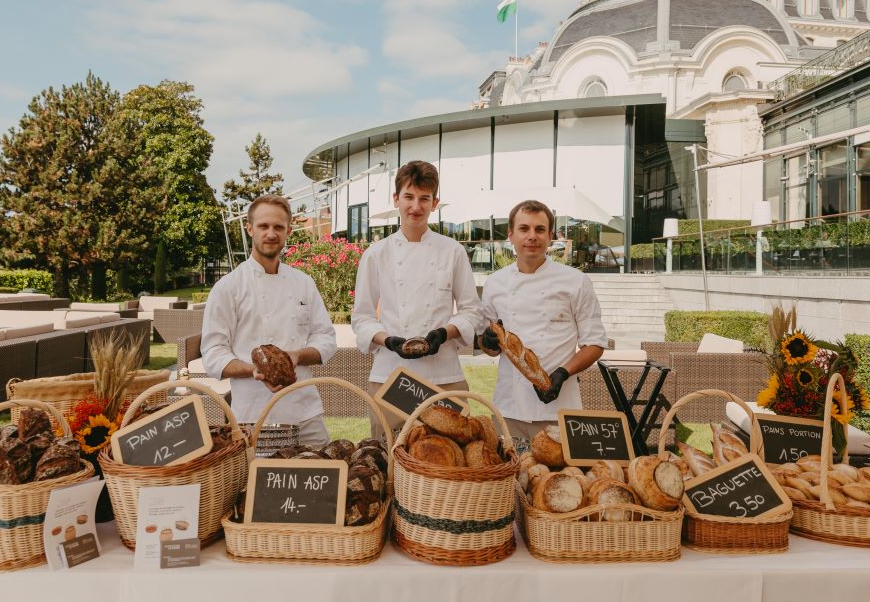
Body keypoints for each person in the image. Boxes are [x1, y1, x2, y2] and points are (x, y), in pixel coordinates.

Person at [352, 160, 483, 443]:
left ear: (434, 202)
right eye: (409, 197)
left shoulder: (453, 251)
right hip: (390, 377)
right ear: (396, 199)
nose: (416, 206)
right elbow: (361, 317)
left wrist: (442, 334)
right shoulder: (377, 254)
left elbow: (472, 312)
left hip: (444, 375)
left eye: (424, 199)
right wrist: (388, 341)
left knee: (451, 459)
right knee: (390, 456)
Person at [201, 194, 337, 446]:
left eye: (278, 227)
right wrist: (255, 371)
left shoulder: (303, 282)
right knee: (259, 483)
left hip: (305, 412)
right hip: (254, 416)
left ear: (288, 231)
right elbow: (213, 353)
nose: (271, 233)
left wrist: (296, 356)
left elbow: (326, 338)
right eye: (264, 226)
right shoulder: (228, 287)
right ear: (250, 228)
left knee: (320, 475)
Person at [478, 200, 608, 448]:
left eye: (539, 230)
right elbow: (491, 348)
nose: (532, 236)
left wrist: (562, 373)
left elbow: (595, 344)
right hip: (509, 407)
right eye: (524, 229)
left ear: (550, 237)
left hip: (558, 409)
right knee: (510, 481)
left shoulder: (575, 282)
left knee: (555, 481)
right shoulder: (495, 283)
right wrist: (487, 341)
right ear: (511, 236)